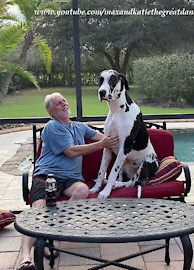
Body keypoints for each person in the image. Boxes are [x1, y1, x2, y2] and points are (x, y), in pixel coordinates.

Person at [16, 92, 119, 270]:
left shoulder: (79, 127)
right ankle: (25, 258)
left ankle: (50, 234)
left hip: (71, 179)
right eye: (58, 104)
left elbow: (104, 139)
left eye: (64, 100)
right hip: (47, 175)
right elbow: (71, 151)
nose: (64, 104)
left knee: (82, 191)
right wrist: (101, 145)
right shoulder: (52, 127)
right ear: (51, 113)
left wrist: (124, 144)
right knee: (38, 210)